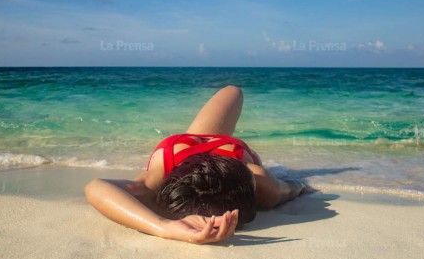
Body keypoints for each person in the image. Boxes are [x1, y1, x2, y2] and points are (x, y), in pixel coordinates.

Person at [85, 85, 314, 245]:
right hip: (192, 152)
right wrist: (162, 226)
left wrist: (164, 226)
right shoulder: (260, 183)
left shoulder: (259, 180)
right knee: (232, 91)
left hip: (189, 149)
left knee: (233, 91)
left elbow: (293, 186)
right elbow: (96, 187)